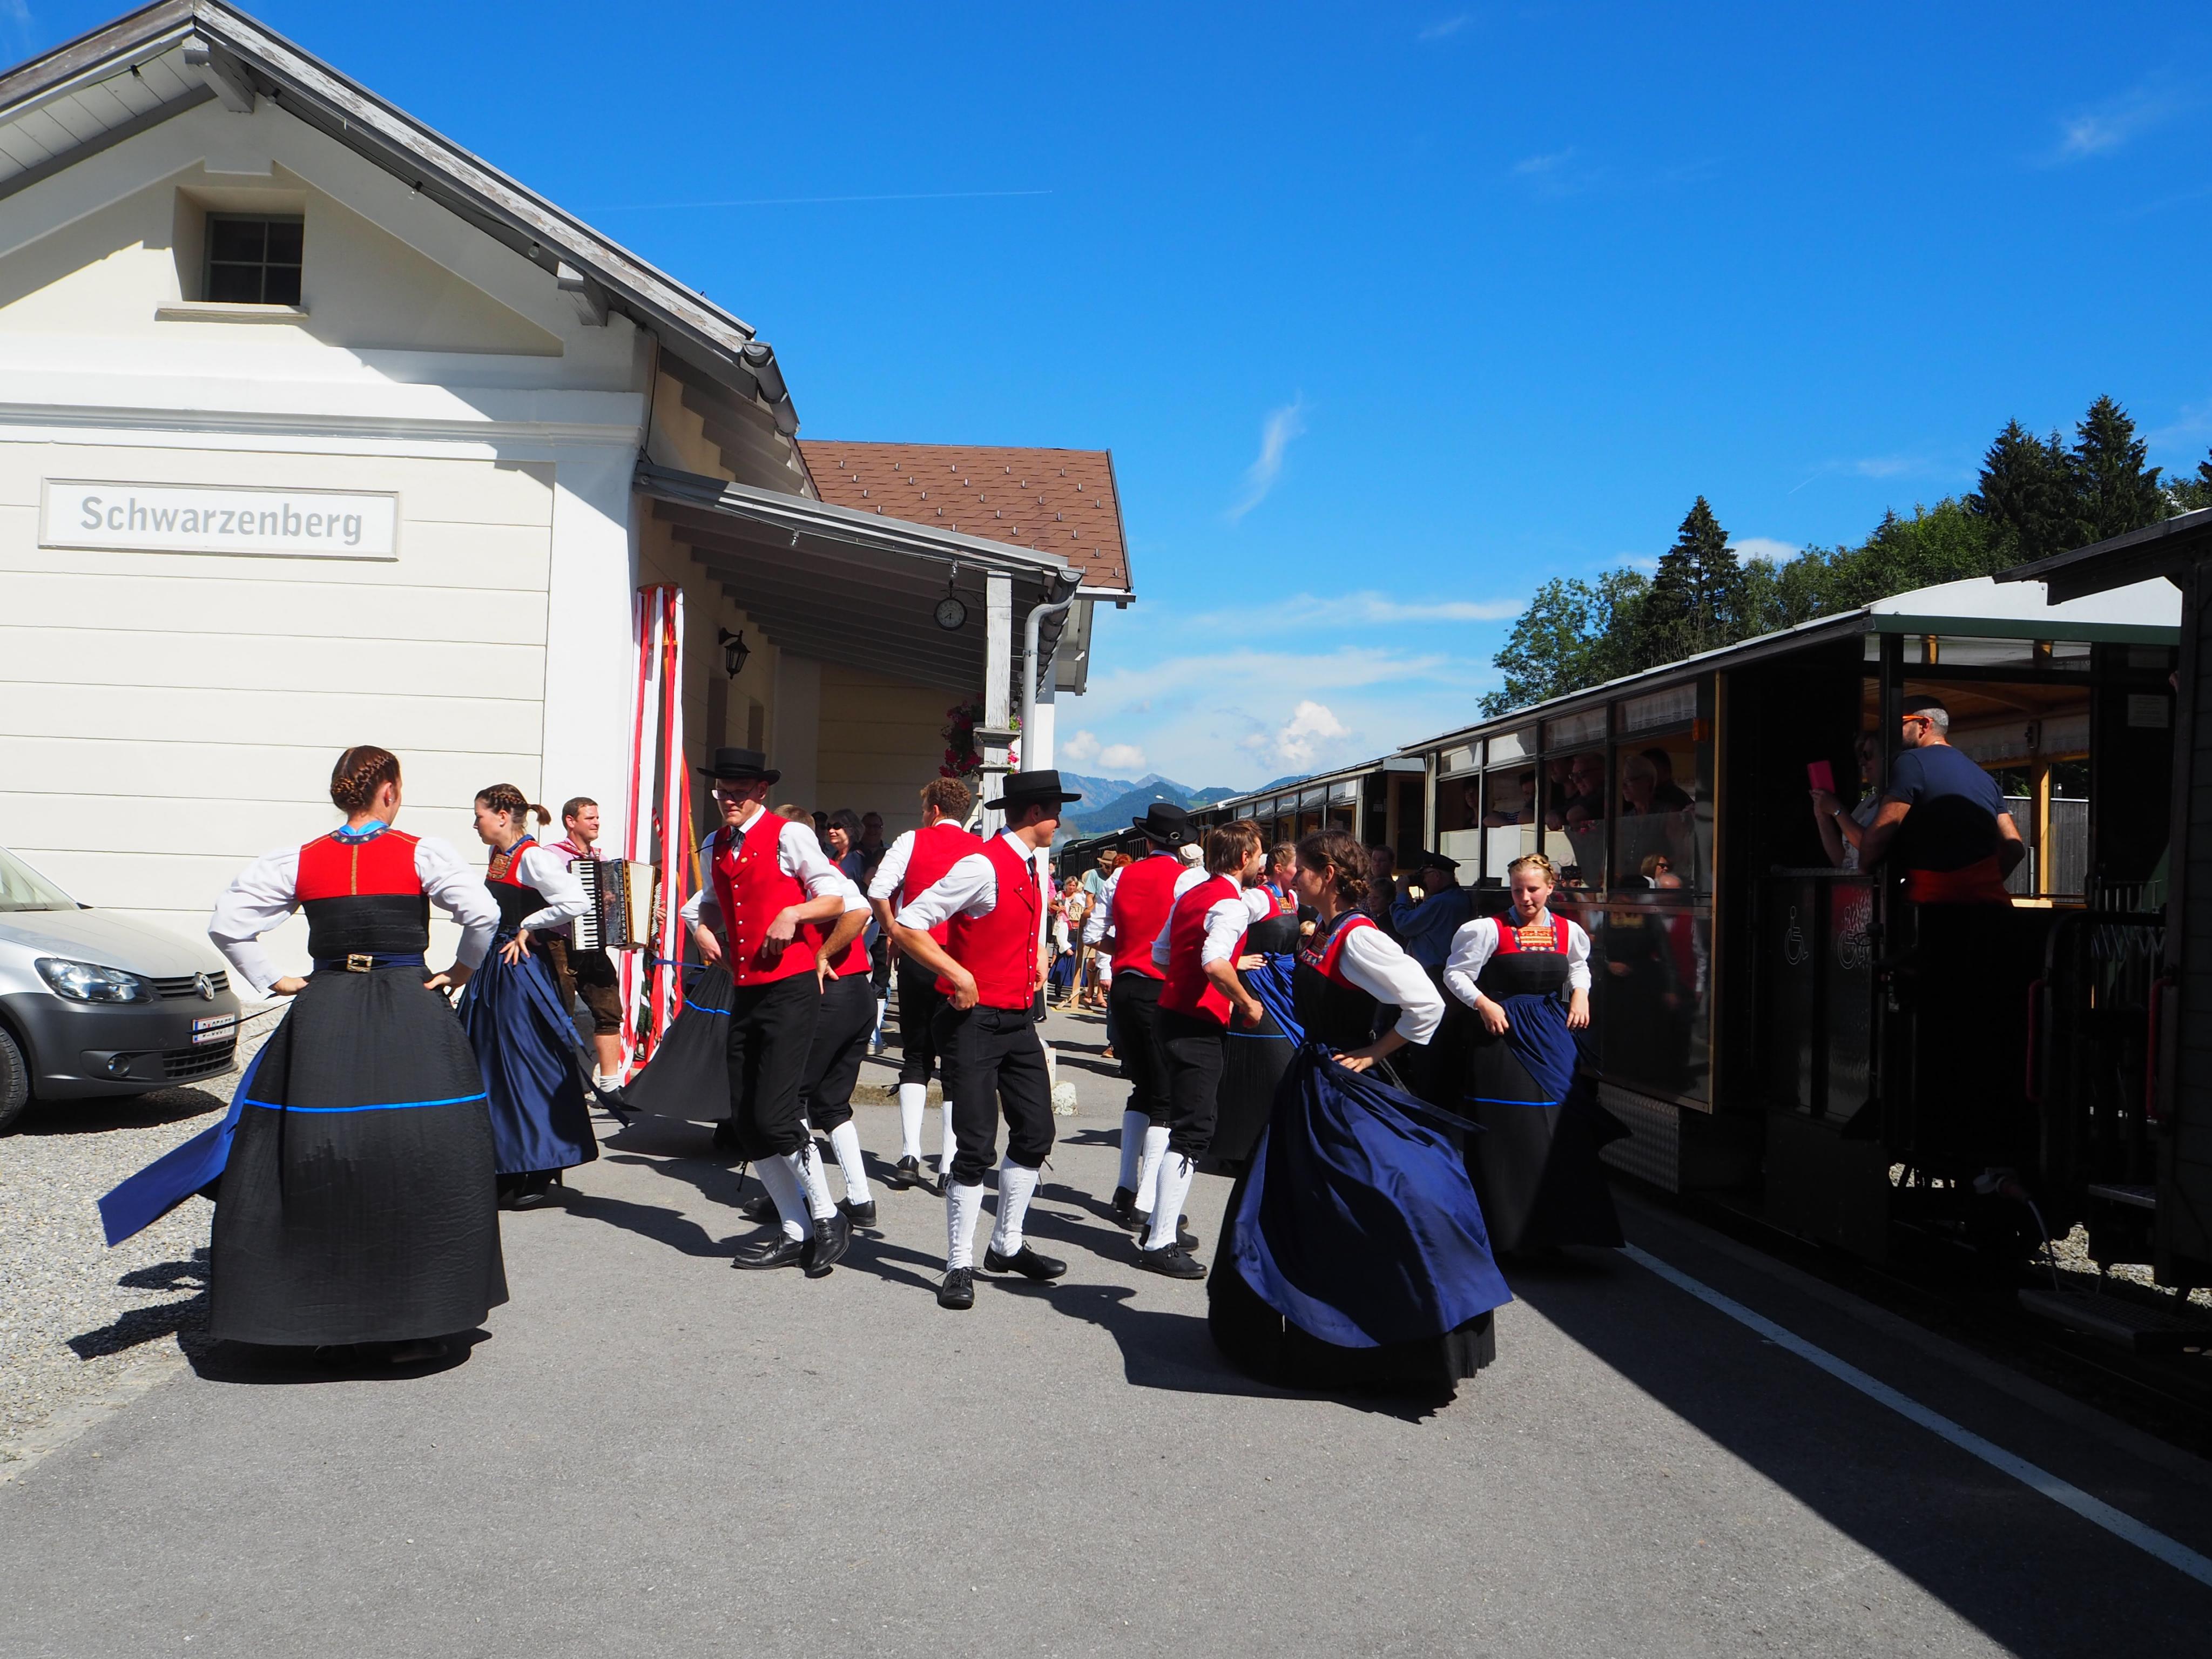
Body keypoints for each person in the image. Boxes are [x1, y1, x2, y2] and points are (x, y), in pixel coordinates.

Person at [99, 746, 505, 1366]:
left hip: (327, 1009)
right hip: (408, 1009)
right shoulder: (422, 852)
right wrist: (460, 970)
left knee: (313, 1149)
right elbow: (484, 913)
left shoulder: (300, 859)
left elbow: (228, 923)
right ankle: (414, 1318)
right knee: (420, 1150)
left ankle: (312, 1314)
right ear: (390, 792)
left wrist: (275, 978)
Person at [1208, 828, 1510, 1395]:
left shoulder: (1358, 937)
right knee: (1293, 1204)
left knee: (1383, 1192)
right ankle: (1303, 1327)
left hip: (1340, 1083)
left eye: (1301, 868)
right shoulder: (1323, 930)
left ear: (1327, 875)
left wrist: (1374, 1053)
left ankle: (1385, 1334)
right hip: (1312, 1080)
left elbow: (1424, 1003)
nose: (1291, 876)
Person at [892, 769, 1083, 1311]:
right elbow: (909, 923)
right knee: (975, 1146)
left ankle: (1006, 1245)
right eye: (1054, 811)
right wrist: (958, 973)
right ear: (1033, 813)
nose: (1058, 821)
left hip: (1017, 1021)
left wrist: (1037, 955)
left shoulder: (1028, 864)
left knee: (1036, 1132)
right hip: (973, 1022)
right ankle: (959, 1263)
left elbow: (1014, 924)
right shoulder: (982, 864)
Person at [680, 747, 854, 1276]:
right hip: (747, 989)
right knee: (746, 1120)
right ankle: (795, 1228)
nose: (729, 799)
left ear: (761, 791)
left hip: (791, 988)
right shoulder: (718, 843)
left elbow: (836, 898)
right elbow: (710, 902)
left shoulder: (789, 834)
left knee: (776, 1116)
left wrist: (793, 912)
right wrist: (700, 928)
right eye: (723, 791)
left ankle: (827, 1216)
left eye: (740, 791)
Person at [1443, 851, 1626, 1254]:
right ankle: (1504, 1233)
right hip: (1502, 1035)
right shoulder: (1488, 929)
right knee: (1509, 1128)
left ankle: (1559, 1230)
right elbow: (1456, 973)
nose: (1525, 898)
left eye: (1532, 890)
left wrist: (1580, 994)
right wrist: (1484, 1004)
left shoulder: (1568, 930)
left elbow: (1579, 966)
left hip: (1550, 1031)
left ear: (1550, 888)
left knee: (1562, 1126)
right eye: (1517, 890)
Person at [456, 785, 597, 1210]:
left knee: (528, 1062)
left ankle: (541, 1162)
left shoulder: (532, 857)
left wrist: (530, 925)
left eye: (479, 815)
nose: (475, 823)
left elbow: (576, 900)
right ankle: (508, 1162)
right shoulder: (498, 855)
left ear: (502, 816)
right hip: (493, 968)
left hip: (519, 972)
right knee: (491, 1065)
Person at [1143, 821, 1273, 1277]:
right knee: (1194, 1129)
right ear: (1244, 858)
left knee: (1184, 1121)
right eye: (1259, 854)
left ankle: (1160, 1224)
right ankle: (1160, 1239)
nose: (1262, 862)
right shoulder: (1230, 904)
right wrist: (1247, 1003)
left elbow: (1161, 955)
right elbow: (1215, 963)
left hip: (1171, 1014)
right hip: (1197, 1024)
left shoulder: (1191, 894)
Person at [1082, 802, 1201, 1236]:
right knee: (1166, 1096)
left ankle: (1125, 1187)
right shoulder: (1189, 880)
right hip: (1162, 990)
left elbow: (1092, 934)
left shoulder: (1120, 877)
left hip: (1125, 987)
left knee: (1142, 1088)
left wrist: (1131, 950)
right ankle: (1146, 1201)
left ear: (1147, 841)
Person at [867, 776, 986, 1193]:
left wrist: (894, 932)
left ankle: (909, 1155)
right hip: (960, 963)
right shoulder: (980, 849)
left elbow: (878, 890)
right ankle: (949, 1163)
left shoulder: (911, 841)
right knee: (955, 1063)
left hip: (919, 957)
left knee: (916, 1056)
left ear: (933, 810)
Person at [1850, 696, 2026, 902]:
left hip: (1935, 906)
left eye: (1899, 724)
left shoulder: (1911, 762)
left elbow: (1878, 836)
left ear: (1924, 725)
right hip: (1993, 906)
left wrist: (1864, 869)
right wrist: (1981, 884)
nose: (1891, 733)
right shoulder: (1984, 777)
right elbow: (2015, 848)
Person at [795, 868, 880, 1226]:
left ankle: (806, 1197)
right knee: (831, 1103)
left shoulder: (811, 875)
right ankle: (860, 1199)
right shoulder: (828, 872)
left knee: (789, 1098)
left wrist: (824, 953)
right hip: (857, 991)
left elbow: (861, 912)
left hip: (831, 992)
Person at [545, 797, 629, 1102]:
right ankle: (555, 1086)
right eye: (590, 818)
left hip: (593, 944)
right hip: (561, 943)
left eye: (597, 817)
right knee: (559, 1012)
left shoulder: (601, 858)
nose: (596, 823)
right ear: (571, 821)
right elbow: (545, 897)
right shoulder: (551, 856)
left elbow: (613, 909)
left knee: (609, 1010)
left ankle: (609, 1086)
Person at [1809, 731, 1887, 874]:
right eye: (1861, 756)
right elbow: (1844, 861)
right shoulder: (1867, 803)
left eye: (1868, 755)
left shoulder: (1892, 804)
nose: (1862, 762)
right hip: (1853, 883)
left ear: (1886, 758)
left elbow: (1870, 848)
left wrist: (1837, 810)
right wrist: (1822, 816)